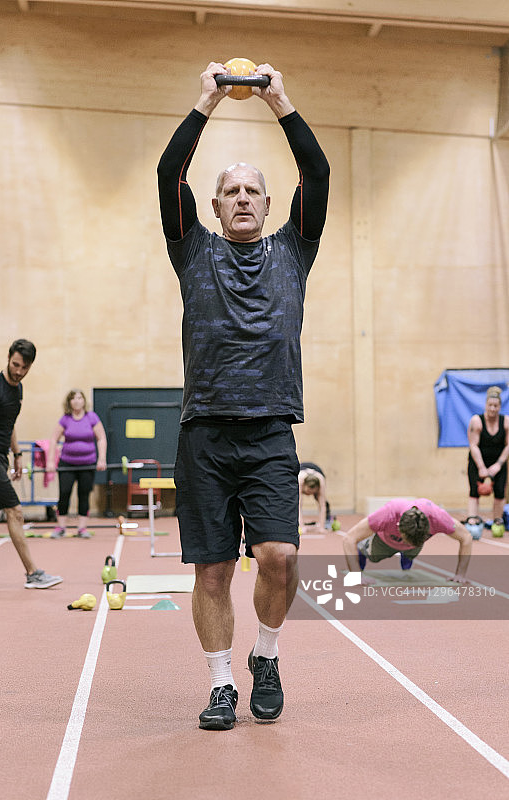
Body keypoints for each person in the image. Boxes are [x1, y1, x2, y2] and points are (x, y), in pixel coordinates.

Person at [157, 61, 329, 730]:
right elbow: (168, 176)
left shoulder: (295, 250)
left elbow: (316, 176)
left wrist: (280, 100)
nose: (243, 198)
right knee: (212, 572)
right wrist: (205, 100)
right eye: (230, 191)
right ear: (215, 204)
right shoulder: (191, 251)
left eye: (252, 190)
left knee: (280, 558)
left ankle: (267, 654)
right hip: (203, 434)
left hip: (269, 434)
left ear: (266, 200)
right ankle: (221, 682)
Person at [0, 339, 63, 589]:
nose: (18, 371)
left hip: (0, 457)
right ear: (8, 358)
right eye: (15, 365)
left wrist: (17, 455)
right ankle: (32, 573)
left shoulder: (18, 389)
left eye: (24, 367)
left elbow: (9, 422)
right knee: (15, 510)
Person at [343, 498, 472, 585]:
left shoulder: (438, 517)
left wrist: (460, 574)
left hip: (415, 544)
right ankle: (363, 550)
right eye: (407, 541)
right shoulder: (388, 514)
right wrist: (356, 575)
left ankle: (408, 555)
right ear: (398, 526)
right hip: (385, 541)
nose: (407, 544)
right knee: (373, 556)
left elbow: (466, 537)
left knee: (412, 551)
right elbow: (349, 539)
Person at [47, 389, 107, 538]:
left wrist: (102, 459)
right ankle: (61, 527)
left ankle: (82, 528)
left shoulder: (91, 417)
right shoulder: (65, 419)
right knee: (64, 493)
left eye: (79, 398)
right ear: (69, 402)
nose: (77, 401)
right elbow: (54, 439)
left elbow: (101, 438)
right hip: (67, 463)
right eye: (73, 398)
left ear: (84, 401)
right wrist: (49, 461)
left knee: (84, 494)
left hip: (87, 464)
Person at [467, 386, 509, 521]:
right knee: (474, 491)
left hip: (498, 460)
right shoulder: (476, 421)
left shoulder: (506, 422)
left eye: (495, 406)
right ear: (485, 405)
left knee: (500, 493)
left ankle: (498, 521)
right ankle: (472, 520)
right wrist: (481, 467)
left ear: (499, 406)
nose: (492, 408)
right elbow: (473, 445)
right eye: (490, 405)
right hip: (478, 460)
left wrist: (498, 465)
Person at [298, 461, 332, 533]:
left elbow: (322, 506)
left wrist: (321, 528)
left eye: (313, 492)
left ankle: (327, 521)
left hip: (317, 471)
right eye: (308, 491)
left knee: (324, 502)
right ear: (304, 486)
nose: (310, 494)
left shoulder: (321, 481)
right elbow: (298, 505)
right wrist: (302, 527)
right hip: (301, 469)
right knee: (295, 501)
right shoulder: (300, 481)